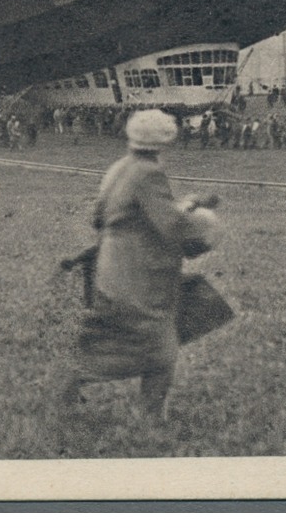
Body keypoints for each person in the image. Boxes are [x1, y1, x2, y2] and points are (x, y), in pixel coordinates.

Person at [62, 109, 218, 418]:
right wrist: (204, 230)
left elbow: (104, 215)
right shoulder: (149, 172)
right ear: (166, 138)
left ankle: (70, 382)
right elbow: (171, 227)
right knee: (160, 347)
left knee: (121, 338)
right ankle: (147, 416)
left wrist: (186, 203)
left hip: (110, 268)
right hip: (139, 273)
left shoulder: (120, 167)